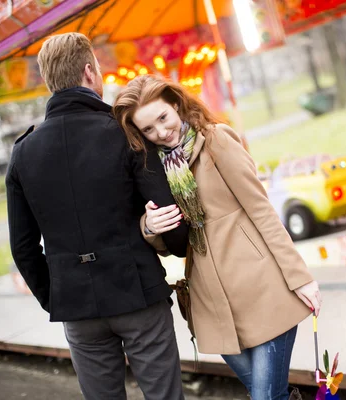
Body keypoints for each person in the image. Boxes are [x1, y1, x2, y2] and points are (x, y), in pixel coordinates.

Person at [113, 75, 322, 400]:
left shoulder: (217, 140)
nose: (160, 132)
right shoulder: (155, 169)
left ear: (176, 104)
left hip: (261, 288)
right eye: (148, 129)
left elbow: (261, 209)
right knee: (264, 393)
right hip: (212, 302)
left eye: (163, 118)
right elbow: (170, 242)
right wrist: (149, 225)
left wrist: (301, 278)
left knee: (266, 396)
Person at [5, 33, 189, 400]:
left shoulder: (22, 154)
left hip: (75, 306)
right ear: (90, 72)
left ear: (49, 81)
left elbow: (23, 249)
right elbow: (169, 216)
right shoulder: (123, 134)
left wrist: (58, 297)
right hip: (139, 295)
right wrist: (175, 248)